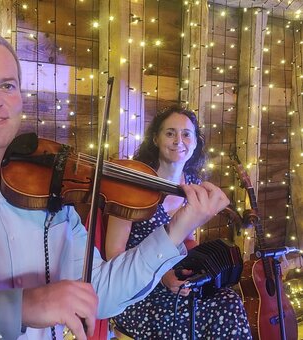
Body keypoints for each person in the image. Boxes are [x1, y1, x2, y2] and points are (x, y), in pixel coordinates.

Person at [0, 29, 230, 340]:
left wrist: (180, 224)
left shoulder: (51, 191)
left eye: (7, 85)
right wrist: (20, 307)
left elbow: (100, 291)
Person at [105, 106, 252, 339]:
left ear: (195, 143)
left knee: (229, 300)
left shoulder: (193, 185)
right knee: (183, 317)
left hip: (177, 282)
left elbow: (188, 241)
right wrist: (160, 275)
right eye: (170, 133)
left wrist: (194, 270)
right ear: (155, 139)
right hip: (140, 288)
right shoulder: (133, 186)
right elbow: (114, 253)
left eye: (186, 134)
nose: (178, 141)